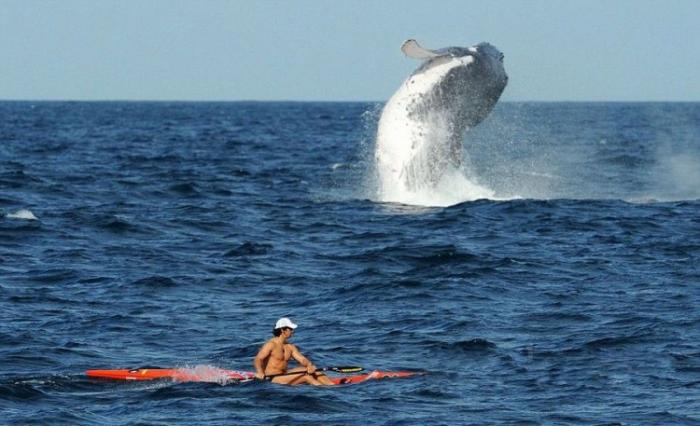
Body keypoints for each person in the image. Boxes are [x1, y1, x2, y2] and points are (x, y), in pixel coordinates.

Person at [253, 317, 335, 386]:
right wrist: (260, 373)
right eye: (291, 329)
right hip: (272, 377)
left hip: (284, 374)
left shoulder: (290, 347)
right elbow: (258, 359)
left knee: (314, 370)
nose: (293, 331)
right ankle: (324, 391)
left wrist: (309, 365)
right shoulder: (271, 344)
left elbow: (302, 359)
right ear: (282, 330)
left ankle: (331, 385)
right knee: (306, 376)